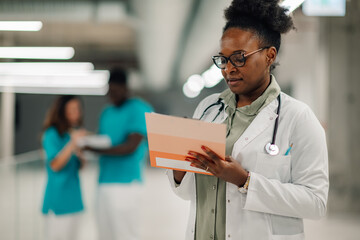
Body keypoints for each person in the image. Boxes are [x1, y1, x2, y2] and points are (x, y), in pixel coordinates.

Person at [167, 0, 329, 239]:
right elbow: (192, 192)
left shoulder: (298, 117)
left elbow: (316, 203)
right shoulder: (208, 109)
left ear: (269, 55)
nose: (228, 69)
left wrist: (244, 181)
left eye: (239, 57)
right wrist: (179, 168)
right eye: (223, 59)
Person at [83, 68, 154, 240]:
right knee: (104, 234)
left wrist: (94, 149)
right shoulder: (107, 112)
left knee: (126, 234)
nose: (110, 95)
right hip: (103, 183)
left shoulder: (138, 108)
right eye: (108, 90)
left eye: (114, 90)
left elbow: (130, 146)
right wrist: (85, 141)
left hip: (126, 185)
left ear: (125, 88)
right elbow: (102, 139)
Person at [41, 95, 87, 240]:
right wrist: (73, 144)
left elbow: (80, 166)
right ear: (62, 112)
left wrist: (81, 153)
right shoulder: (51, 134)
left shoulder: (72, 132)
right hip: (58, 201)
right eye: (72, 110)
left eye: (78, 109)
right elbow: (55, 165)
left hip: (75, 199)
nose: (76, 114)